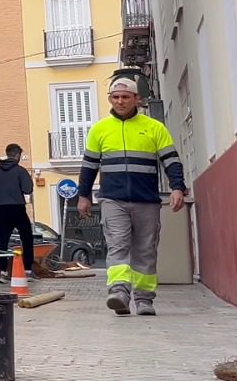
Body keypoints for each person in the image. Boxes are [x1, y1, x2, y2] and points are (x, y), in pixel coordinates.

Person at [77, 76, 187, 316]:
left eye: (125, 97)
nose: (120, 102)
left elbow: (171, 161)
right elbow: (88, 167)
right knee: (118, 245)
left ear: (137, 99)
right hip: (112, 199)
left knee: (146, 249)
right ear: (109, 99)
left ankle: (144, 299)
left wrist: (178, 187)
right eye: (115, 97)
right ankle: (119, 292)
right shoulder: (99, 130)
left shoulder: (154, 128)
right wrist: (83, 196)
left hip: (146, 200)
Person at [0, 144, 35, 283]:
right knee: (26, 237)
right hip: (17, 207)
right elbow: (28, 190)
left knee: (2, 240)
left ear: (7, 153)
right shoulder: (20, 170)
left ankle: (3, 272)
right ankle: (27, 270)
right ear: (17, 155)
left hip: (0, 209)